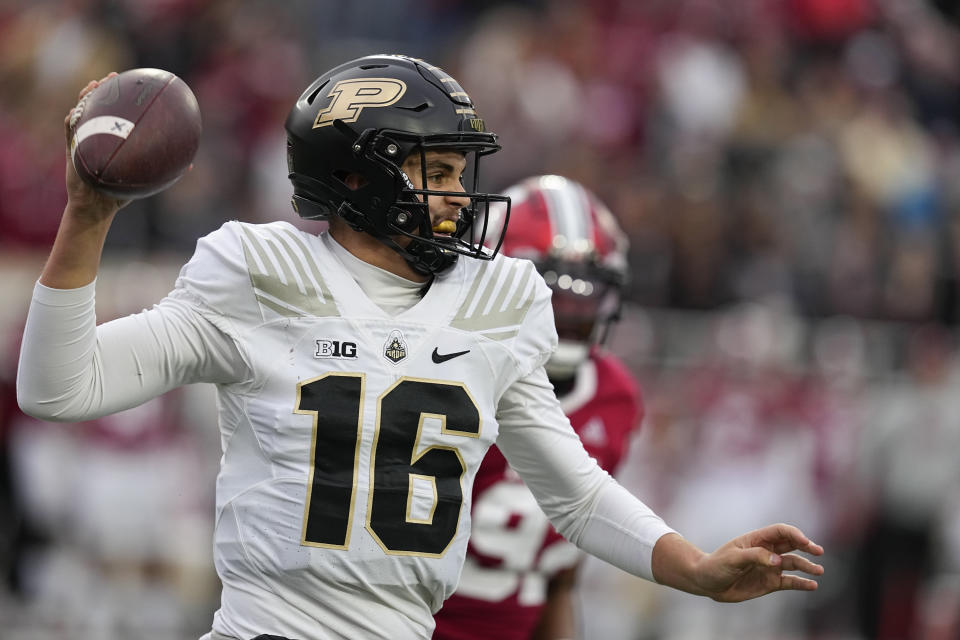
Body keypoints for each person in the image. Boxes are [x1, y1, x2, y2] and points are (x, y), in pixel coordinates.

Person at [17, 54, 824, 640]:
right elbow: (60, 387)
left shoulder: (499, 301)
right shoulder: (257, 274)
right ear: (360, 179)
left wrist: (697, 568)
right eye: (436, 170)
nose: (459, 198)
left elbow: (572, 492)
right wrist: (88, 215)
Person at [433, 175, 644, 640]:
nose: (569, 314)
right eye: (553, 293)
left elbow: (562, 574)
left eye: (586, 295)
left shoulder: (615, 397)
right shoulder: (446, 374)